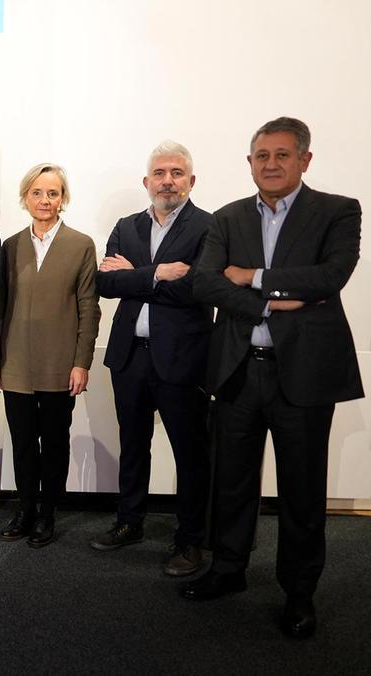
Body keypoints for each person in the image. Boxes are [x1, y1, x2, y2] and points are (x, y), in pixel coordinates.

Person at [184, 117, 362, 639]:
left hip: (303, 375)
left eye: (282, 155)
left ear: (305, 160)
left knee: (301, 491)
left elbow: (331, 276)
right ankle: (227, 569)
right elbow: (204, 284)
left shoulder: (338, 210)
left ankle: (299, 593)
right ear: (249, 163)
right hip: (238, 370)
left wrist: (254, 278)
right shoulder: (227, 217)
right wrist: (279, 301)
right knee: (231, 481)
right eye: (262, 156)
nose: (271, 165)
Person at [94, 142, 214, 576]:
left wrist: (134, 276)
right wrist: (159, 274)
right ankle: (130, 522)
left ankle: (190, 540)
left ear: (191, 181)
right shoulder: (127, 226)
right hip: (130, 356)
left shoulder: (208, 227)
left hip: (183, 358)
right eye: (160, 173)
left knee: (190, 452)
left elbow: (199, 288)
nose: (168, 180)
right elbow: (104, 284)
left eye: (177, 172)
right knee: (134, 445)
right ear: (147, 182)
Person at [0, 163, 100, 548]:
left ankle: (47, 512)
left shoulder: (81, 244)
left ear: (63, 198)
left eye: (53, 193)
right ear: (26, 197)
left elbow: (89, 306)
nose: (45, 200)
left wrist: (81, 361)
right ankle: (25, 508)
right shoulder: (10, 246)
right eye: (37, 193)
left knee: (54, 442)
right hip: (15, 362)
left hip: (60, 363)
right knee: (22, 442)